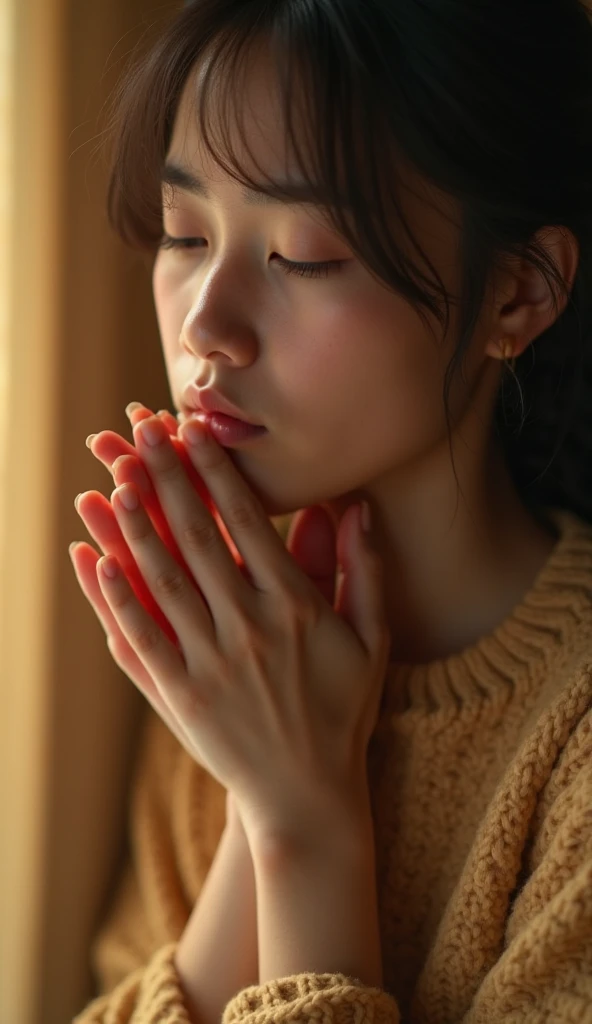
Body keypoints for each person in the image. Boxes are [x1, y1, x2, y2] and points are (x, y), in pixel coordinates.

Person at [70, 0, 592, 1021]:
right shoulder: (236, 656)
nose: (204, 328)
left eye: (302, 253)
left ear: (516, 295)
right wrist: (264, 798)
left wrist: (304, 824)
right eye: (184, 234)